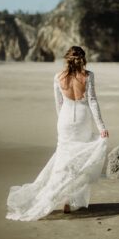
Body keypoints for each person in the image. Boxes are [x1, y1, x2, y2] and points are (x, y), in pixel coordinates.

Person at [6, 46, 109, 221]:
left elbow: (59, 105)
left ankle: (58, 197)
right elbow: (92, 101)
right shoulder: (88, 76)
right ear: (83, 59)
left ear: (67, 59)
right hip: (82, 119)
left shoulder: (58, 77)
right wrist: (101, 127)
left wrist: (61, 123)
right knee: (78, 160)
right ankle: (69, 199)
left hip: (65, 120)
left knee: (63, 161)